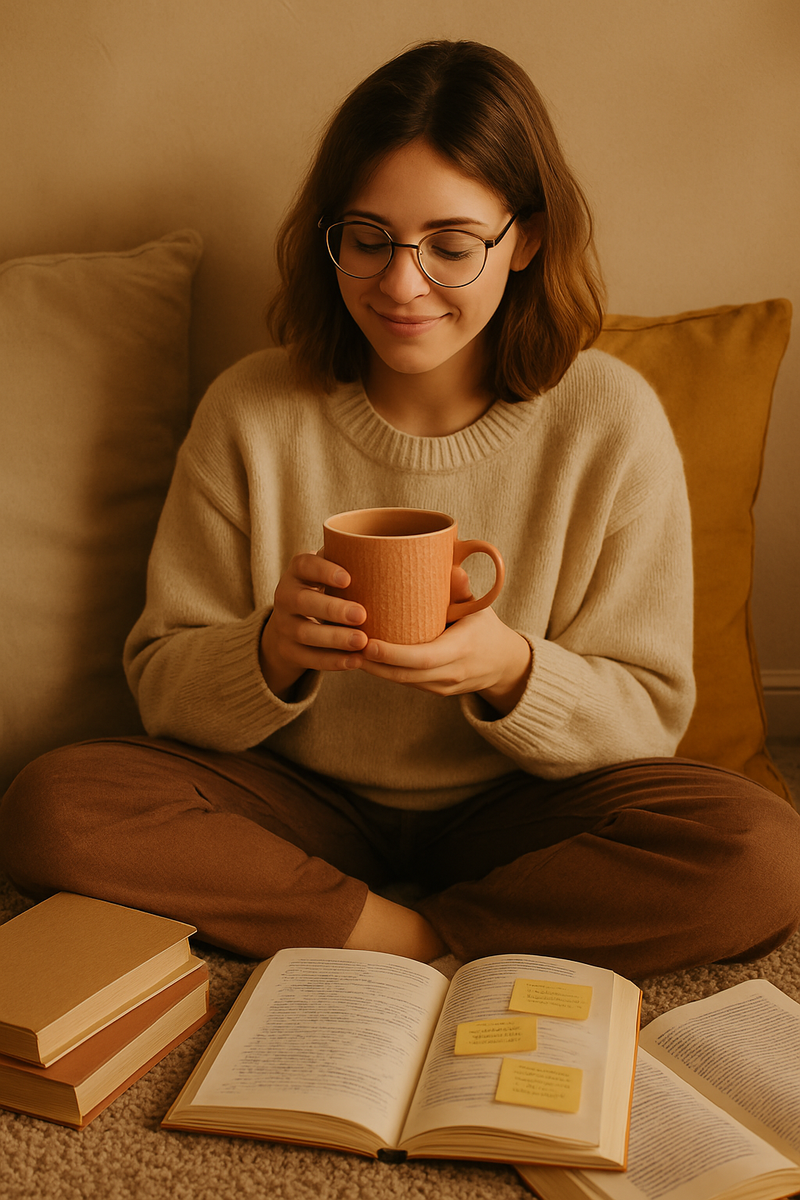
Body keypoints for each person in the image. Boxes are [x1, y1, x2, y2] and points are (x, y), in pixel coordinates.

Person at [2, 40, 799, 979]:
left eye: (452, 247)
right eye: (369, 239)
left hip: (522, 809)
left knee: (762, 853)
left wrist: (511, 668)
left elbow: (649, 721)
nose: (401, 284)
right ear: (330, 235)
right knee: (55, 802)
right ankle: (410, 938)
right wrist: (271, 651)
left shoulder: (607, 419)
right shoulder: (253, 410)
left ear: (526, 241)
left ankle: (391, 929)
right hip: (295, 798)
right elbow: (162, 683)